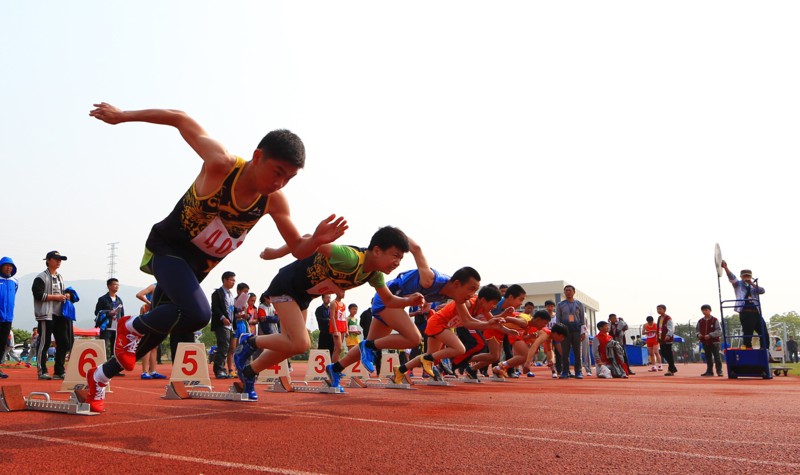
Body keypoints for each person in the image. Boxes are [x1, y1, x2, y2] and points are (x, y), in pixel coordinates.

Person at [86, 102, 346, 412]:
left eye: (288, 178)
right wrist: (122, 116)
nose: (280, 183)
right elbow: (180, 118)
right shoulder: (222, 164)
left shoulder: (273, 201)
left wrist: (316, 240)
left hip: (195, 269)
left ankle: (99, 376)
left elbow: (297, 247)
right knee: (197, 314)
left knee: (154, 336)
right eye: (277, 172)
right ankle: (130, 326)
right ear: (258, 156)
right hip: (167, 249)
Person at [234, 226, 420, 399]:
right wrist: (275, 253)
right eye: (395, 256)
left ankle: (250, 371)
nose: (397, 263)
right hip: (285, 286)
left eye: (401, 259)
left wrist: (409, 301)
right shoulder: (350, 257)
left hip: (303, 296)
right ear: (377, 250)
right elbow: (307, 239)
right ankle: (249, 341)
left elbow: (388, 300)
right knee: (300, 342)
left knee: (294, 346)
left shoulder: (374, 274)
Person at [391, 285, 513, 383]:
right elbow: (470, 323)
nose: (495, 306)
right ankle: (426, 359)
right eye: (493, 303)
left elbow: (492, 322)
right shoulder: (469, 303)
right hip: (438, 323)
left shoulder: (484, 309)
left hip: (442, 325)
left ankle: (400, 370)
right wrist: (488, 324)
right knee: (460, 349)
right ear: (482, 300)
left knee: (429, 356)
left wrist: (508, 330)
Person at [32, 251, 72, 380]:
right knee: (45, 342)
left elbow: (62, 292)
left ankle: (59, 371)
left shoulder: (60, 277)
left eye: (60, 259)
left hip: (60, 314)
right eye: (56, 259)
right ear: (48, 260)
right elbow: (38, 295)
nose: (59, 261)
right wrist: (56, 297)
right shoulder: (41, 277)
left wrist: (67, 295)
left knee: (64, 342)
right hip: (46, 314)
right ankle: (42, 370)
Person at [721, 260, 768, 350]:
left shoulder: (753, 286)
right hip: (746, 312)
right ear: (741, 276)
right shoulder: (738, 284)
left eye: (748, 276)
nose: (746, 277)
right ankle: (748, 349)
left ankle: (765, 350)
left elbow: (762, 291)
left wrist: (752, 283)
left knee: (764, 332)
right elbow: (732, 278)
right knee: (748, 332)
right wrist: (726, 268)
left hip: (756, 312)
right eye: (745, 276)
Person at [556, 284, 586, 379]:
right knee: (565, 353)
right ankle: (565, 371)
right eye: (566, 290)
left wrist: (583, 332)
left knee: (578, 352)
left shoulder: (579, 304)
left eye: (570, 290)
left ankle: (578, 372)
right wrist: (559, 332)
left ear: (574, 292)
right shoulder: (560, 305)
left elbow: (582, 319)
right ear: (564, 292)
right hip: (565, 332)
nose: (568, 292)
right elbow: (558, 319)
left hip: (576, 331)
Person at [210, 271, 236, 379]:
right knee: (223, 346)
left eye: (234, 280)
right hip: (221, 324)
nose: (233, 282)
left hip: (230, 325)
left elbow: (231, 309)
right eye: (231, 280)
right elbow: (215, 308)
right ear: (225, 280)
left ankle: (223, 369)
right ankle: (219, 370)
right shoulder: (217, 293)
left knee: (229, 347)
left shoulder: (231, 294)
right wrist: (223, 318)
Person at [95, 278, 124, 361]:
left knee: (115, 349)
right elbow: (97, 312)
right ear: (109, 286)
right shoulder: (103, 299)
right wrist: (108, 313)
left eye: (118, 285)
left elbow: (122, 314)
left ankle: (113, 368)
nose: (117, 286)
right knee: (103, 347)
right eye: (115, 284)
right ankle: (102, 367)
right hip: (106, 327)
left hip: (116, 327)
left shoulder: (119, 300)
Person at [0, 256, 18, 379]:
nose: (8, 268)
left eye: (10, 266)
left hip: (8, 318)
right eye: (6, 265)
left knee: (2, 345)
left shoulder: (15, 282)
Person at [695, 304, 723, 377]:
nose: (704, 312)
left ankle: (719, 371)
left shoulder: (715, 320)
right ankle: (709, 371)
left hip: (714, 342)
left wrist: (710, 335)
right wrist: (698, 335)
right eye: (703, 310)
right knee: (708, 357)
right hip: (705, 342)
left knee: (717, 357)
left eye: (706, 310)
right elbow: (697, 330)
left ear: (710, 310)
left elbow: (719, 331)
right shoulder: (700, 321)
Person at [656, 304, 678, 376]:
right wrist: (658, 337)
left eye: (660, 309)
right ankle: (673, 367)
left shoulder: (668, 318)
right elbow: (659, 328)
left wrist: (668, 335)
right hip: (661, 339)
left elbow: (671, 328)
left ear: (664, 310)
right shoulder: (659, 318)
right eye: (658, 309)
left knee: (668, 354)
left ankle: (671, 370)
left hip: (667, 339)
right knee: (663, 353)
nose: (658, 310)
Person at [329, 293, 347, 362]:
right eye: (342, 293)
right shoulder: (333, 303)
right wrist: (335, 330)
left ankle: (335, 365)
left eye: (344, 293)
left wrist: (346, 330)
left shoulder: (343, 304)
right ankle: (333, 367)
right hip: (336, 328)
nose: (343, 294)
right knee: (338, 348)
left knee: (339, 349)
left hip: (342, 327)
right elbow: (332, 317)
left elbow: (344, 318)